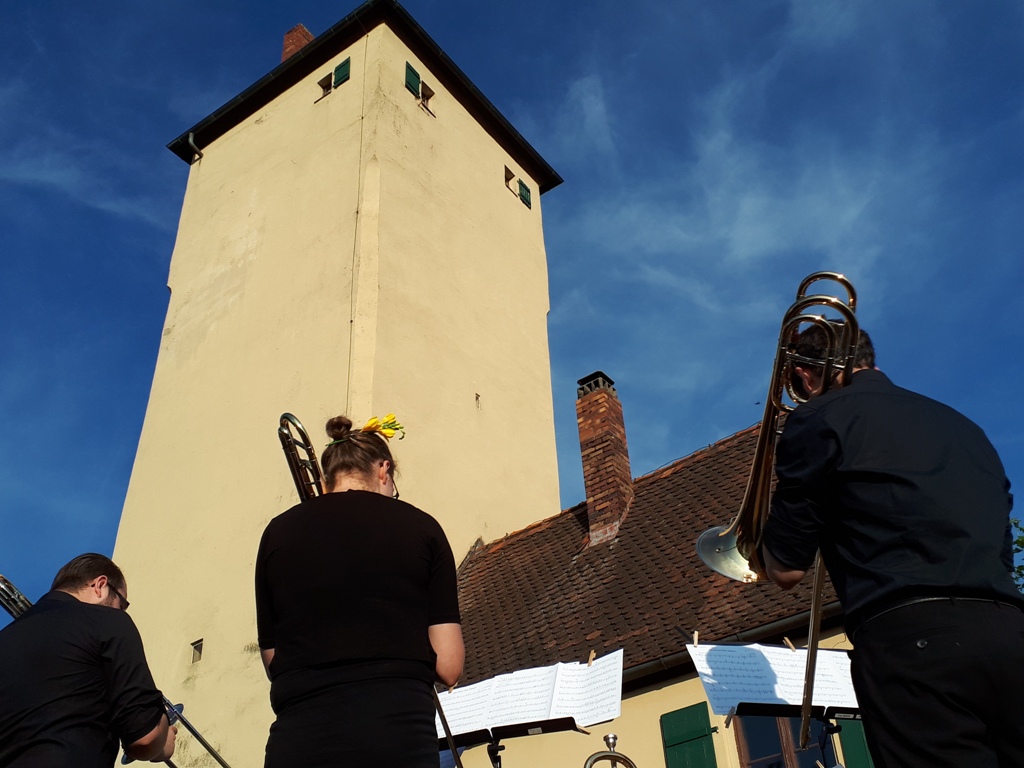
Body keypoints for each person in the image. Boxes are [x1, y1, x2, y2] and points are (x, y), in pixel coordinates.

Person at [758, 324, 1024, 768]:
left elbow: (786, 570)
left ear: (804, 374)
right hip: (1010, 628)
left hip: (910, 646)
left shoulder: (817, 419)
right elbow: (1001, 544)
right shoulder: (963, 425)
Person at [256, 413, 464, 768]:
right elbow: (448, 666)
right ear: (383, 470)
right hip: (397, 738)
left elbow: (273, 659)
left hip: (298, 740)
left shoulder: (276, 533)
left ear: (328, 478)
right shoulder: (423, 528)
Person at [0, 554, 176, 767]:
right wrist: (162, 740)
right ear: (100, 586)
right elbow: (145, 739)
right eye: (122, 603)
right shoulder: (108, 620)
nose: (120, 610)